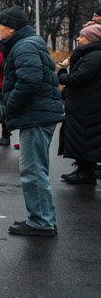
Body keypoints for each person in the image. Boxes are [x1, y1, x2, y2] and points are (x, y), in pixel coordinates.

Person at [0, 6, 64, 236]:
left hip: (35, 116)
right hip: (38, 113)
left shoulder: (24, 46)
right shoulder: (29, 43)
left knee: (33, 170)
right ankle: (43, 218)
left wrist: (10, 106)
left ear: (12, 27)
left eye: (0, 25)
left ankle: (41, 221)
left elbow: (29, 81)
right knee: (36, 169)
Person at [57, 23, 101, 185]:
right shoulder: (90, 55)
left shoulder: (93, 56)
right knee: (84, 138)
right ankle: (83, 169)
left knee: (84, 138)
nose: (78, 38)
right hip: (86, 104)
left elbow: (79, 78)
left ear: (91, 39)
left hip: (87, 105)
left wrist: (61, 76)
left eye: (82, 36)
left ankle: (85, 172)